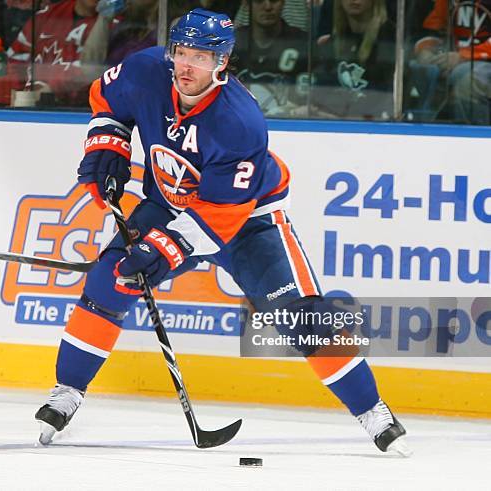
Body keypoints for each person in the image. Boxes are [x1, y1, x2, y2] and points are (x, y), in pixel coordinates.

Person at [34, 8, 411, 456]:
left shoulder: (240, 122)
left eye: (201, 55)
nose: (187, 65)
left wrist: (163, 250)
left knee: (301, 315)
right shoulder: (145, 69)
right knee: (108, 281)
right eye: (181, 52)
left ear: (223, 63)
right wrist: (108, 143)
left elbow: (220, 216)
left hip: (248, 221)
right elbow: (108, 101)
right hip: (167, 203)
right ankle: (68, 391)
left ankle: (373, 411)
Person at [6, 0, 119, 107]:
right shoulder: (46, 16)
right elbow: (15, 60)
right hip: (28, 107)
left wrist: (52, 90)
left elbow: (93, 70)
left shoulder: (113, 24)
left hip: (75, 112)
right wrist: (20, 95)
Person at [412, 0, 491, 125]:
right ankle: (424, 130)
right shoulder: (446, 2)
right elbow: (434, 29)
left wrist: (463, 56)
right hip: (457, 59)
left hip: (482, 63)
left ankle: (476, 136)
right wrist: (426, 50)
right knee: (419, 68)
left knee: (466, 78)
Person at [232, 0, 311, 118]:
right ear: (248, 5)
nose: (268, 7)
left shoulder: (302, 43)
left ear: (284, 3)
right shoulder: (232, 43)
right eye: (259, 1)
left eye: (274, 0)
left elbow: (308, 98)